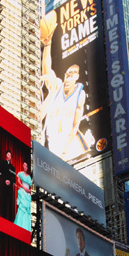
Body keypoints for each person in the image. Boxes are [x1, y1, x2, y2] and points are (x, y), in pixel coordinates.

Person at [39, 11, 89, 160]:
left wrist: (64, 153)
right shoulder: (57, 86)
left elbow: (75, 125)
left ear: (77, 77)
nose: (68, 76)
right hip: (51, 143)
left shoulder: (80, 93)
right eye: (67, 73)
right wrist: (47, 45)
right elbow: (47, 70)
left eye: (72, 74)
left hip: (69, 150)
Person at [13, 161, 32, 231]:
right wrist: (24, 188)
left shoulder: (29, 177)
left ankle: (26, 227)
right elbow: (18, 181)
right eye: (24, 165)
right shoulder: (20, 173)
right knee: (22, 208)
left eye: (26, 166)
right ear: (22, 166)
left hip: (28, 193)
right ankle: (20, 225)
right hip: (23, 191)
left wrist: (29, 191)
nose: (25, 167)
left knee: (27, 210)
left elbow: (30, 186)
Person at [0, 151, 16, 221]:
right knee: (4, 201)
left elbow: (14, 179)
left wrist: (10, 182)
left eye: (10, 155)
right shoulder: (3, 163)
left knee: (10, 202)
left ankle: (11, 219)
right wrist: (5, 180)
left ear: (11, 157)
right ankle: (4, 217)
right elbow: (1, 172)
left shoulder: (12, 167)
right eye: (8, 154)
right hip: (4, 184)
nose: (9, 156)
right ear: (6, 155)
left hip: (10, 187)